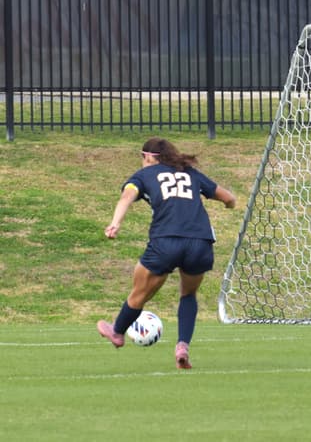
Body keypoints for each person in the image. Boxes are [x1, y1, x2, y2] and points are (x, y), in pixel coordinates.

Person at [96, 137, 236, 369]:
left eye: (142, 156)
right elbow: (228, 197)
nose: (142, 161)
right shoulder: (190, 172)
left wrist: (115, 223)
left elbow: (126, 197)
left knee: (139, 292)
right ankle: (182, 345)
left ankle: (118, 331)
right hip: (200, 242)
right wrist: (230, 205)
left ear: (150, 157)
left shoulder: (143, 176)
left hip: (166, 241)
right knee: (188, 294)